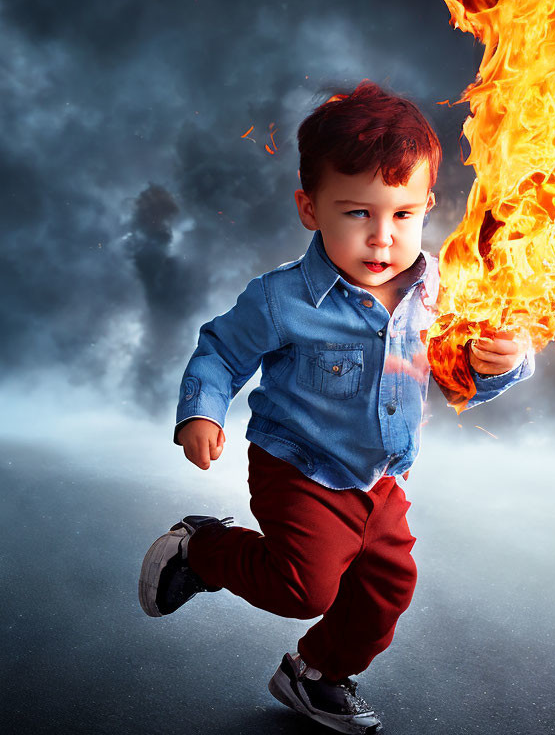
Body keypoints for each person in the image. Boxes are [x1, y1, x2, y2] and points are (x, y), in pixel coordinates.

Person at [138, 80, 534, 734]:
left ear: (427, 206)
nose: (382, 239)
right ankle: (201, 548)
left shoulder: (441, 291)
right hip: (299, 467)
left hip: (381, 477)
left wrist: (501, 361)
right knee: (306, 587)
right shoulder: (282, 298)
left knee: (387, 589)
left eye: (402, 216)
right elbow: (219, 353)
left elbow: (457, 373)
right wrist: (201, 413)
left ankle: (315, 674)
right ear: (309, 208)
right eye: (357, 214)